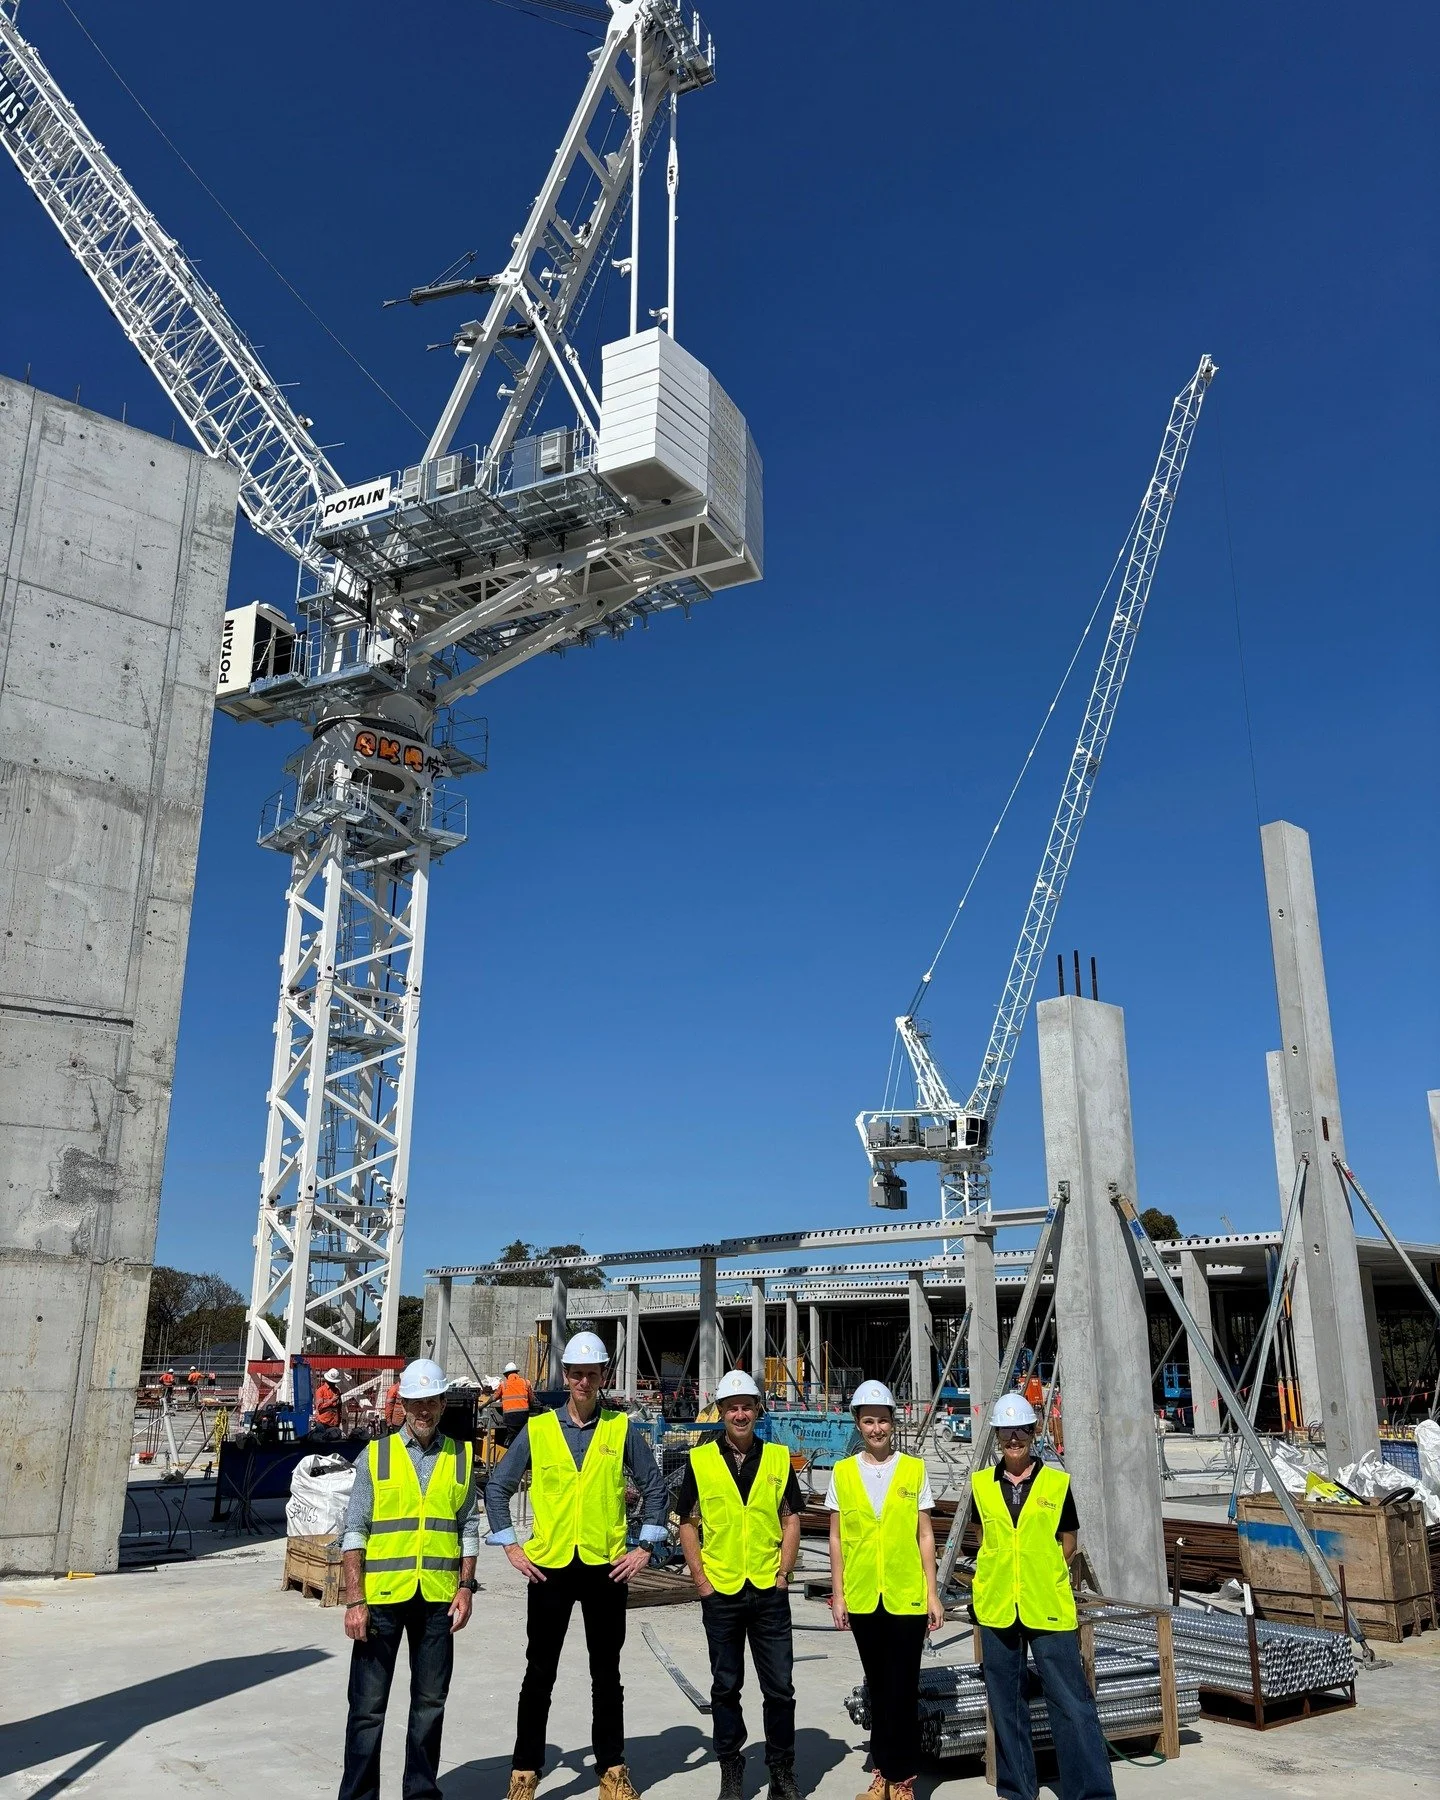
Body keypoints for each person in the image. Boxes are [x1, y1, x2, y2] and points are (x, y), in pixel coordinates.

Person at [486, 1331, 668, 1800]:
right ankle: (524, 1772)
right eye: (576, 1373)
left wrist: (644, 1545)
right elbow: (498, 1486)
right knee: (539, 1671)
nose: (584, 1381)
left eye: (592, 1373)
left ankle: (612, 1769)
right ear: (565, 1376)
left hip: (606, 1568)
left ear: (603, 1375)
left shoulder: (620, 1428)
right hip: (549, 1567)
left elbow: (654, 1486)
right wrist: (510, 1545)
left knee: (606, 1672)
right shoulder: (540, 1429)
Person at [338, 1358, 477, 1800]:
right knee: (366, 1710)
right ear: (402, 1404)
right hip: (380, 1600)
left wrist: (466, 1587)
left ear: (442, 1404)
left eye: (431, 1401)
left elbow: (468, 1528)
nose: (423, 1410)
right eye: (415, 1402)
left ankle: (420, 1792)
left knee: (430, 1706)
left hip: (437, 1600)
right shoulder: (376, 1455)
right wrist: (354, 1601)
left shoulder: (461, 1456)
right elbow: (354, 1530)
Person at [971, 1392, 1114, 1800]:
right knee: (1006, 1705)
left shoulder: (1055, 1482)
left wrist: (1040, 1570)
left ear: (1034, 1433)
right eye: (1006, 1431)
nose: (1014, 1438)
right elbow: (984, 1539)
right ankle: (1018, 1791)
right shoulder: (982, 1485)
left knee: (1071, 1702)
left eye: (1022, 1430)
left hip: (1046, 1605)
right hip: (999, 1606)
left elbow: (1068, 1541)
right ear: (997, 1435)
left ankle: (1090, 1793)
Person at [676, 1370, 806, 1800]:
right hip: (722, 1591)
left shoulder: (777, 1458)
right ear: (720, 1412)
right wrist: (701, 1580)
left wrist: (784, 1574)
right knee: (725, 1686)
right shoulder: (701, 1461)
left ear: (757, 1409)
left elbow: (791, 1518)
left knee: (780, 1688)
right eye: (732, 1407)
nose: (740, 1413)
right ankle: (731, 1767)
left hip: (769, 1591)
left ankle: (781, 1770)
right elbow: (688, 1523)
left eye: (747, 1406)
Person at [826, 1381, 945, 1800]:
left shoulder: (913, 1470)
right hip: (862, 1597)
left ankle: (903, 1779)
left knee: (903, 1687)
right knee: (878, 1687)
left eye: (883, 1420)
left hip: (906, 1596)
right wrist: (838, 1595)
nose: (876, 1428)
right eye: (868, 1420)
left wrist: (933, 1594)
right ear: (858, 1424)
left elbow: (925, 1535)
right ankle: (882, 1774)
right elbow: (837, 1539)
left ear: (894, 1423)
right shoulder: (842, 1473)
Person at [496, 1360, 536, 1444]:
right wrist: (531, 1407)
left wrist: (482, 1406)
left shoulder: (503, 1384)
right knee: (522, 1436)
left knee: (512, 1436)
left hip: (509, 1417)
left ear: (506, 1374)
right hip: (523, 1416)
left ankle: (509, 1449)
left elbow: (494, 1397)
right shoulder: (526, 1382)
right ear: (517, 1373)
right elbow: (531, 1400)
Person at [313, 1367, 344, 1435]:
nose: (334, 1384)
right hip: (323, 1423)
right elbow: (320, 1407)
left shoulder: (337, 1390)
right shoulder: (320, 1391)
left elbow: (338, 1407)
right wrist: (332, 1400)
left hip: (334, 1423)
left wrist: (340, 1419)